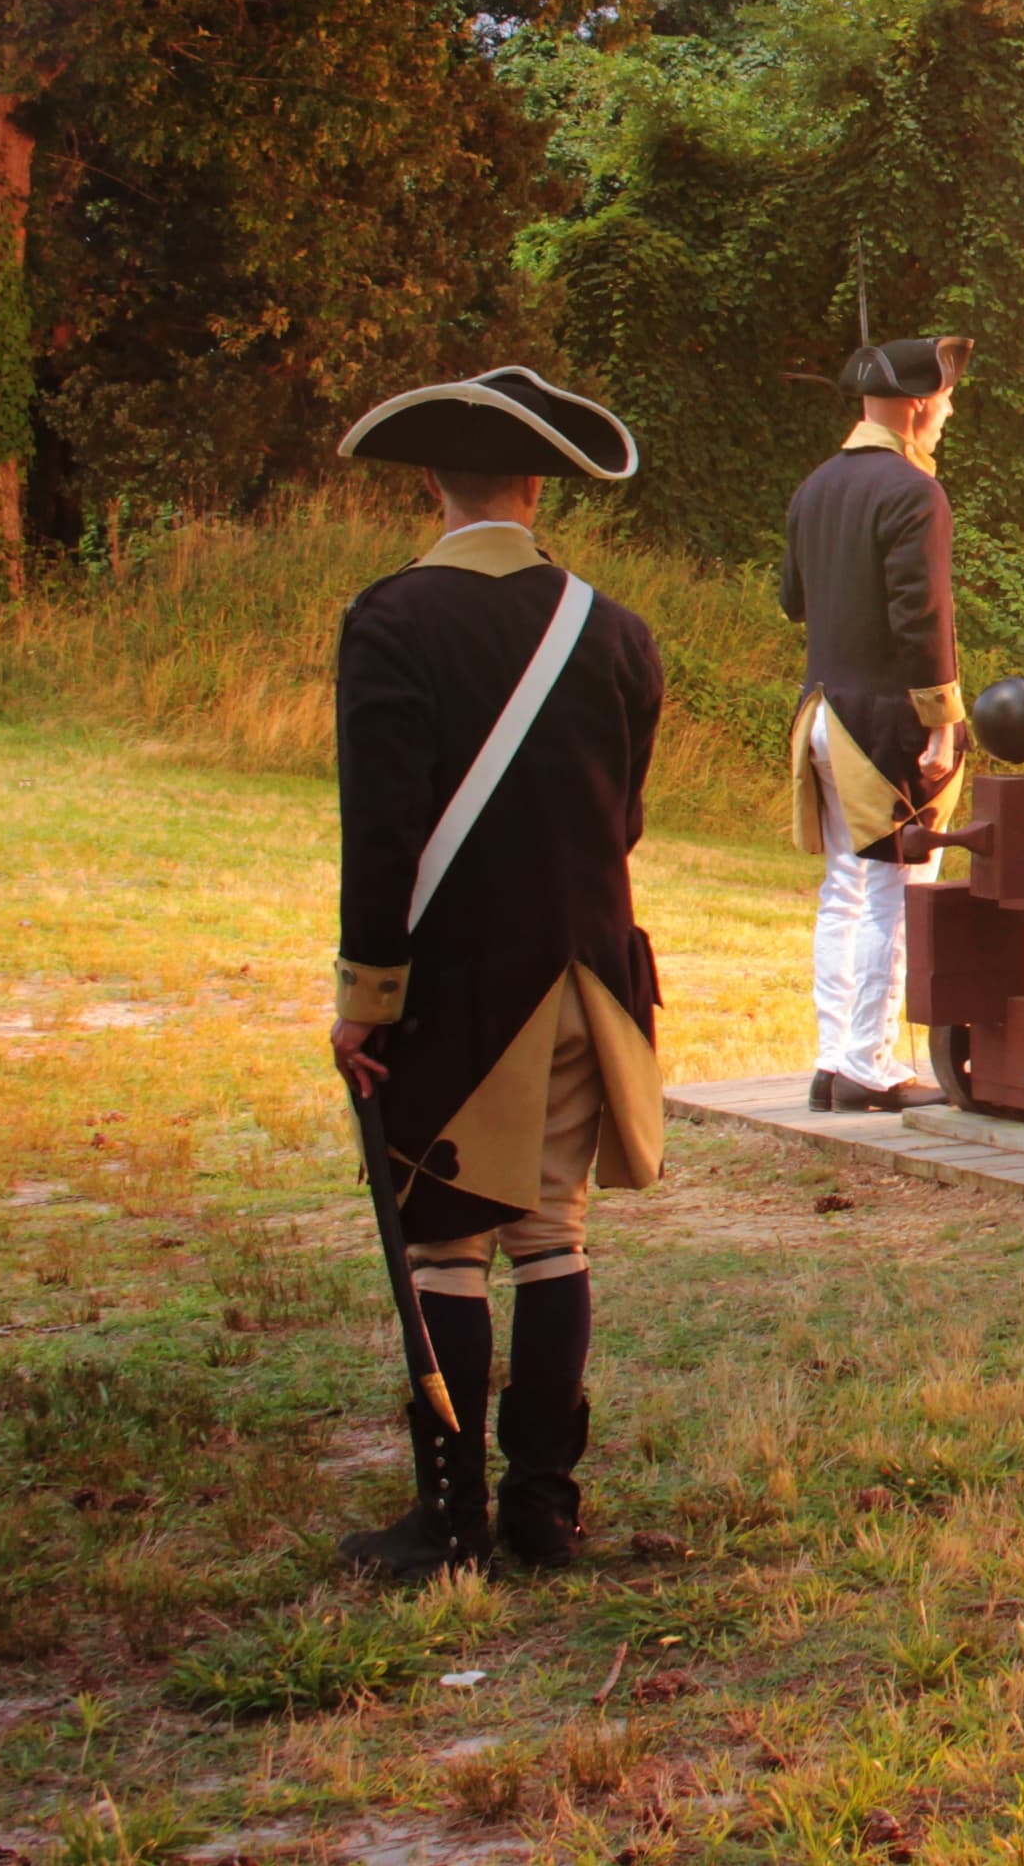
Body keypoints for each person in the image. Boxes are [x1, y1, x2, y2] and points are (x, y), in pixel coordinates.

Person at [327, 366, 666, 1576]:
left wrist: (367, 999)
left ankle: (453, 1519)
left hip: (455, 991)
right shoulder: (617, 633)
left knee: (446, 1251)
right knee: (553, 1237)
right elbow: (623, 820)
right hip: (586, 983)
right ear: (537, 486)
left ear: (432, 479)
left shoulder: (391, 621)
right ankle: (543, 1508)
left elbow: (382, 834)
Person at [780, 335, 973, 1112]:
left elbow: (794, 600)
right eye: (946, 402)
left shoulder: (814, 487)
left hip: (823, 713)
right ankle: (868, 1065)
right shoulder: (914, 492)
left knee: (844, 889)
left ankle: (836, 1059)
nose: (949, 414)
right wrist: (942, 722)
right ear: (919, 406)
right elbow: (921, 618)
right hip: (886, 721)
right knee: (896, 887)